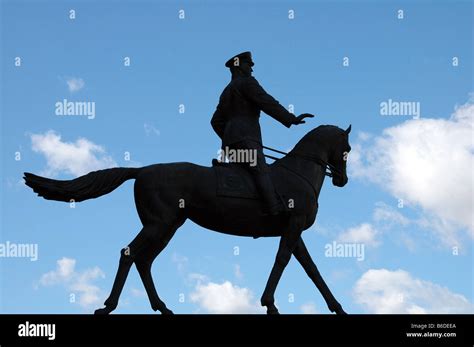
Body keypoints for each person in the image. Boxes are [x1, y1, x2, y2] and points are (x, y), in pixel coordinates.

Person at [211, 51, 314, 215]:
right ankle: (274, 208)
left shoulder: (226, 91)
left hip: (230, 142)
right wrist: (290, 118)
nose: (251, 69)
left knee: (244, 173)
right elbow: (266, 102)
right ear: (239, 66)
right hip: (246, 138)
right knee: (261, 170)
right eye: (248, 65)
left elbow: (215, 122)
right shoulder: (247, 83)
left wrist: (229, 137)